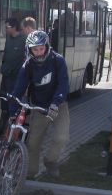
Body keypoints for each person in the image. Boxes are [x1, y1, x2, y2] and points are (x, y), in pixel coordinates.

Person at [10, 30, 69, 178]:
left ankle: (50, 161)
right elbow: (19, 88)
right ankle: (30, 173)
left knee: (61, 138)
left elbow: (63, 84)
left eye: (41, 48)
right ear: (29, 50)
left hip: (58, 106)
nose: (39, 52)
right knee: (33, 144)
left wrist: (56, 102)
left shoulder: (58, 60)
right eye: (35, 49)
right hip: (39, 107)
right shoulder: (28, 65)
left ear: (47, 46)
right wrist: (12, 109)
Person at [0, 18, 26, 134]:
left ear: (14, 27)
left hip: (15, 78)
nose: (5, 29)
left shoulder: (23, 40)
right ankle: (5, 128)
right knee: (3, 101)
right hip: (5, 75)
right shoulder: (8, 39)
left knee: (13, 104)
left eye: (7, 27)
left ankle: (14, 131)